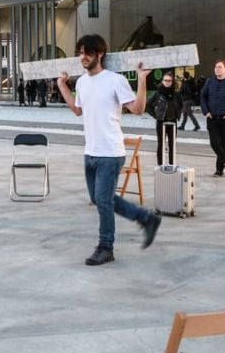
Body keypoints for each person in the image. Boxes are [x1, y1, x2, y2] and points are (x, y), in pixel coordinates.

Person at [57, 33, 161, 266]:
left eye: (87, 53)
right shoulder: (82, 82)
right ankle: (146, 218)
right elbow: (77, 109)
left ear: (100, 53)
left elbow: (137, 109)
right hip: (90, 151)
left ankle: (106, 247)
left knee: (103, 201)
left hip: (111, 152)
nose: (82, 57)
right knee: (99, 198)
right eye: (80, 53)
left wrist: (143, 81)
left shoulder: (116, 80)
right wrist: (62, 85)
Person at [200, 59, 225, 177]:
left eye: (219, 67)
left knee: (223, 145)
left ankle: (219, 170)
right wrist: (205, 111)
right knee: (214, 143)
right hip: (212, 117)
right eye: (216, 67)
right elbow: (203, 97)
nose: (217, 69)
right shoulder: (210, 81)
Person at [149, 71, 181, 165]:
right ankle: (160, 165)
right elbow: (148, 105)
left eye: (169, 81)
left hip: (173, 122)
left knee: (172, 145)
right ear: (162, 81)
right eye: (165, 80)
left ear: (172, 82)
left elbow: (180, 105)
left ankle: (172, 164)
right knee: (161, 144)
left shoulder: (176, 94)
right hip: (161, 122)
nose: (167, 82)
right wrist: (156, 115)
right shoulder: (158, 93)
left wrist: (177, 114)